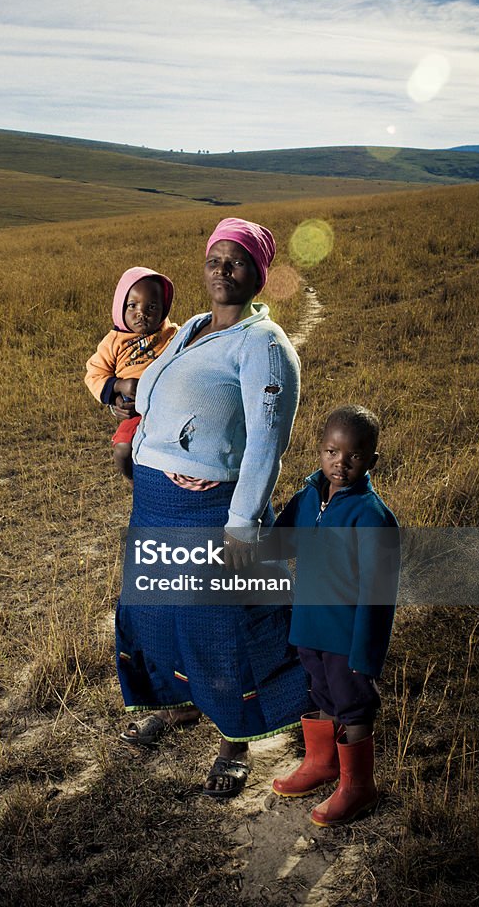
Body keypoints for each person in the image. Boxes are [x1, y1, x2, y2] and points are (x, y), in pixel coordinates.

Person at [114, 217, 311, 798]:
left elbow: (268, 445)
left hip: (213, 510)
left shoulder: (265, 347)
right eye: (214, 260)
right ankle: (177, 707)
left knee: (223, 624)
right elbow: (153, 397)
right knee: (159, 612)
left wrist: (242, 525)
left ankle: (234, 742)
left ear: (258, 274)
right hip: (155, 499)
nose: (223, 271)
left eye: (238, 262)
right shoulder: (191, 328)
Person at [270, 404, 400, 825]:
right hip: (309, 627)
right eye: (331, 451)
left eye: (354, 457)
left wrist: (366, 656)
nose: (340, 463)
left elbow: (379, 596)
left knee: (354, 705)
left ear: (371, 461)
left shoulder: (373, 518)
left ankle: (359, 788)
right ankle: (323, 763)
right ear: (319, 449)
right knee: (322, 696)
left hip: (347, 637)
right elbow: (279, 545)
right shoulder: (308, 498)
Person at [84, 267, 178, 480]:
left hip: (171, 408)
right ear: (120, 308)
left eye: (152, 306)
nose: (141, 313)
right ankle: (133, 482)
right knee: (123, 448)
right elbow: (94, 374)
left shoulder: (172, 334)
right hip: (136, 412)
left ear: (164, 309)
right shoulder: (113, 342)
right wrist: (119, 385)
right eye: (132, 306)